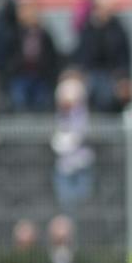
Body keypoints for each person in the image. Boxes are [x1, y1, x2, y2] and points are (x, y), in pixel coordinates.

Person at [73, 0, 130, 112]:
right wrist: (81, 72)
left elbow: (123, 56)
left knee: (107, 94)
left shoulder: (118, 28)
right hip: (90, 72)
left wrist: (123, 77)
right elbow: (82, 53)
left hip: (112, 74)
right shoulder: (88, 28)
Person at [51, 75, 95, 210]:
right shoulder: (59, 115)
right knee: (66, 205)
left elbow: (82, 134)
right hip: (64, 166)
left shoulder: (83, 114)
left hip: (82, 165)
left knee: (84, 204)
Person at [8, 0, 60, 111]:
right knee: (20, 106)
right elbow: (9, 54)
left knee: (41, 107)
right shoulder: (15, 33)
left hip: (41, 76)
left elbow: (52, 56)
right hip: (21, 75)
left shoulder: (44, 34)